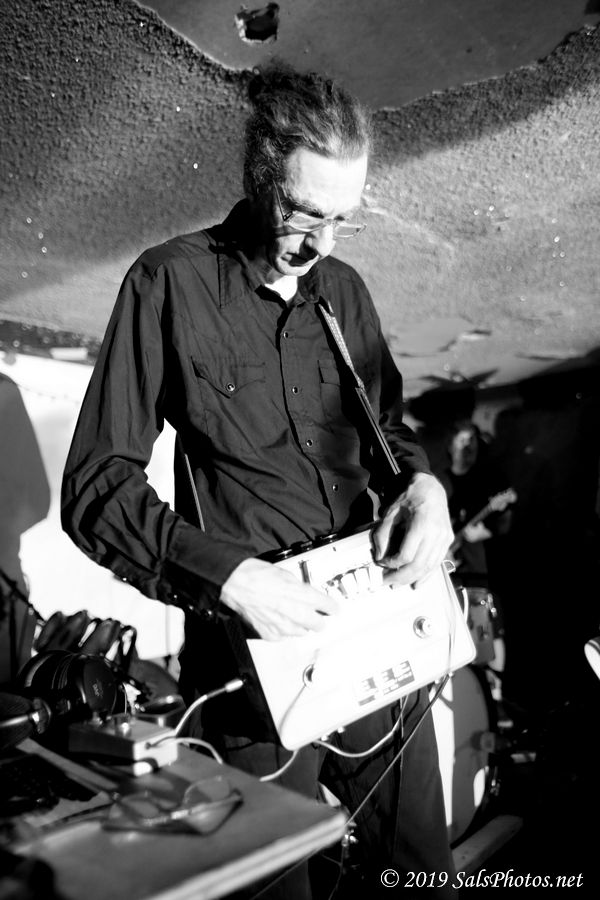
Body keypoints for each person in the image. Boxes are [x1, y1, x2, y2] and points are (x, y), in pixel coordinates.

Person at [61, 62, 457, 898]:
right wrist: (231, 578)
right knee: (271, 887)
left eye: (343, 219)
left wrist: (425, 487)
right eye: (305, 214)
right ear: (258, 179)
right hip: (249, 659)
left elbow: (387, 432)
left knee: (420, 868)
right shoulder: (168, 281)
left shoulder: (343, 289)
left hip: (370, 626)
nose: (323, 244)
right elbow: (97, 485)